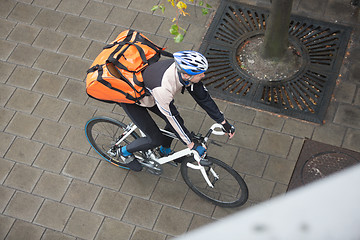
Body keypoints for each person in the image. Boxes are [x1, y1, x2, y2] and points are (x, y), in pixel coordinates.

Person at [118, 50, 235, 171]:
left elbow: (204, 99)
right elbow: (171, 118)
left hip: (152, 94)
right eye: (201, 74)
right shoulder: (164, 88)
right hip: (133, 101)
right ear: (186, 75)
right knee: (155, 139)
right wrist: (191, 144)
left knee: (178, 121)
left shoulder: (184, 72)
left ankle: (165, 150)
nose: (203, 76)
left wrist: (223, 122)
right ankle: (124, 152)